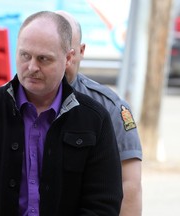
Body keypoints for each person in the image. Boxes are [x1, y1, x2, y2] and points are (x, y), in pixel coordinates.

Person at [0, 11, 123, 216]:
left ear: (69, 58)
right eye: (25, 55)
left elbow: (103, 203)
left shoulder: (95, 119)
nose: (32, 67)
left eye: (43, 59)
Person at [56, 11, 143, 216]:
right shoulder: (5, 101)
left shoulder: (110, 107)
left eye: (67, 54)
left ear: (81, 51)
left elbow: (129, 185)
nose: (62, 63)